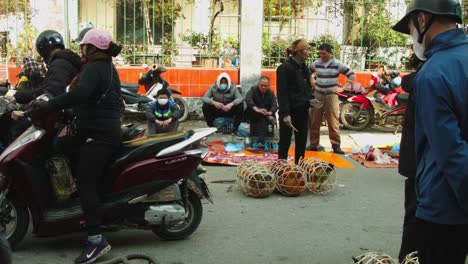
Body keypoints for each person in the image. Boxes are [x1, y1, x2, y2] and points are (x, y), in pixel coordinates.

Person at [31, 28, 122, 264]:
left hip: (100, 135)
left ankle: (96, 239)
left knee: (85, 183)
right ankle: (84, 211)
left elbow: (79, 94)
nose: (81, 48)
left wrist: (50, 106)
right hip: (97, 129)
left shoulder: (95, 67)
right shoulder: (102, 66)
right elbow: (85, 97)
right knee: (62, 146)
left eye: (84, 45)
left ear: (92, 48)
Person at [392, 0, 468, 263]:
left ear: (422, 20)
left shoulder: (434, 72)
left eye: (411, 26)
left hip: (445, 208)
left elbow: (450, 151)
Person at [396, 53, 424, 262]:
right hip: (419, 162)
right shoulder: (426, 76)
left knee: (416, 215)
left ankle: (408, 256)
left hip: (422, 162)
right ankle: (408, 257)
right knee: (415, 215)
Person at [306, 43, 355, 154]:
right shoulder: (316, 63)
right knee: (314, 120)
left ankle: (336, 146)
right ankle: (314, 144)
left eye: (324, 53)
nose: (321, 56)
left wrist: (343, 87)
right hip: (318, 94)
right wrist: (312, 82)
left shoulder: (337, 64)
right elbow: (307, 72)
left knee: (333, 121)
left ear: (330, 53)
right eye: (320, 53)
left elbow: (351, 75)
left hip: (331, 95)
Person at [276, 39, 312, 164]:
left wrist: (311, 100)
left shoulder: (305, 68)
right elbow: (282, 92)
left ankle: (299, 170)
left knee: (301, 142)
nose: (308, 52)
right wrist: (285, 114)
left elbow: (307, 89)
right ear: (299, 52)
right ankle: (280, 170)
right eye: (307, 49)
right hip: (289, 112)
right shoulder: (284, 68)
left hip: (302, 111)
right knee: (285, 142)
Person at [245, 76, 278, 148]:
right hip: (254, 112)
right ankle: (261, 141)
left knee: (263, 117)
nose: (263, 87)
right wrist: (257, 109)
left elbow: (275, 105)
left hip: (265, 114)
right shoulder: (253, 90)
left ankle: (261, 141)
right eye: (261, 85)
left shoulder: (271, 93)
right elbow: (248, 99)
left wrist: (270, 112)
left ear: (268, 86)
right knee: (262, 116)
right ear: (258, 84)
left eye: (265, 86)